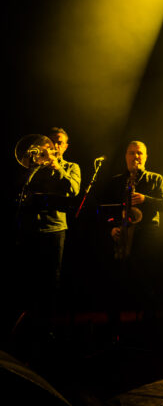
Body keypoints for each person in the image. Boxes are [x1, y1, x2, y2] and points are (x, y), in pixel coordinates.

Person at [14, 127, 81, 342]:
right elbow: (19, 187)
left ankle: (48, 327)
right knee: (27, 278)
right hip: (30, 229)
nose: (55, 145)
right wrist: (35, 164)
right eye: (52, 141)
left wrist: (55, 166)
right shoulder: (35, 165)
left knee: (52, 280)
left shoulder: (71, 167)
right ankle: (26, 327)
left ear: (66, 146)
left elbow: (73, 190)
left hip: (55, 229)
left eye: (60, 142)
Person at [102, 140, 163, 342]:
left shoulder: (156, 179)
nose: (136, 157)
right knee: (116, 280)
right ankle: (114, 327)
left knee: (145, 279)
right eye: (131, 153)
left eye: (139, 153)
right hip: (122, 232)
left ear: (146, 156)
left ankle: (148, 326)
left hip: (147, 232)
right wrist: (112, 227)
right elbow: (106, 209)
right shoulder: (116, 181)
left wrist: (145, 199)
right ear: (126, 156)